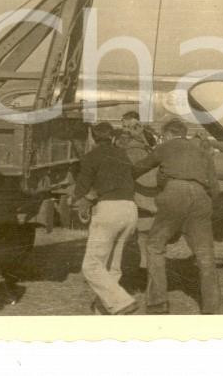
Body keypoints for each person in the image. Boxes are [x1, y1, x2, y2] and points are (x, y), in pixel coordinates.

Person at [130, 118, 221, 314]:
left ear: (169, 134)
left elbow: (141, 167)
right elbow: (214, 186)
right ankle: (211, 307)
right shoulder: (203, 152)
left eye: (164, 136)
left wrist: (124, 176)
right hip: (201, 196)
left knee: (154, 246)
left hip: (175, 193)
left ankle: (158, 302)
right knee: (205, 254)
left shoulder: (166, 146)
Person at [71, 121, 140, 315]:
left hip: (109, 210)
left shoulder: (91, 156)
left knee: (91, 266)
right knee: (112, 266)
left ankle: (122, 302)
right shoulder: (122, 155)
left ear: (92, 136)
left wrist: (78, 201)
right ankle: (104, 311)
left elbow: (82, 189)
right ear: (112, 136)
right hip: (130, 209)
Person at [115, 110, 158, 271]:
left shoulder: (146, 136)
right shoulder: (121, 139)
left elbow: (153, 151)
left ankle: (143, 264)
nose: (127, 128)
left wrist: (141, 136)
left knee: (144, 228)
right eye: (124, 125)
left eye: (130, 125)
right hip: (131, 189)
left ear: (138, 123)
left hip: (143, 189)